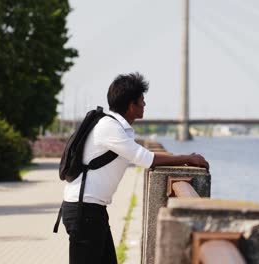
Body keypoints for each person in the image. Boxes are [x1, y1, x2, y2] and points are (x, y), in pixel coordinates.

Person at [61, 72, 209, 264]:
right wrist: (188, 158)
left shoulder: (115, 126)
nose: (145, 105)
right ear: (131, 106)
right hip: (84, 210)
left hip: (93, 210)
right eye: (142, 100)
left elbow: (142, 155)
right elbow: (145, 158)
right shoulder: (109, 127)